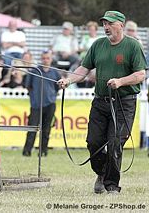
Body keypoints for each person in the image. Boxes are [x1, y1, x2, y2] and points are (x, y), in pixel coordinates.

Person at [58, 10, 146, 194]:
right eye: (104, 24)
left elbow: (140, 74)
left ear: (121, 25)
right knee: (93, 142)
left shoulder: (132, 46)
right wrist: (69, 80)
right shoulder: (98, 45)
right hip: (100, 101)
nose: (106, 27)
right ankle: (102, 172)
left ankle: (112, 185)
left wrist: (121, 81)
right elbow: (83, 68)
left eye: (110, 23)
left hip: (124, 103)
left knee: (114, 143)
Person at [22, 50, 61, 157]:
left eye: (48, 58)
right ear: (41, 59)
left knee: (46, 129)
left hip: (50, 104)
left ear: (51, 59)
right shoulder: (35, 71)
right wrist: (34, 97)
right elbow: (28, 86)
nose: (45, 60)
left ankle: (43, 151)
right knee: (32, 129)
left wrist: (51, 96)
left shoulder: (55, 72)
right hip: (36, 105)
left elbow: (57, 87)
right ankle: (27, 151)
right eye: (44, 58)